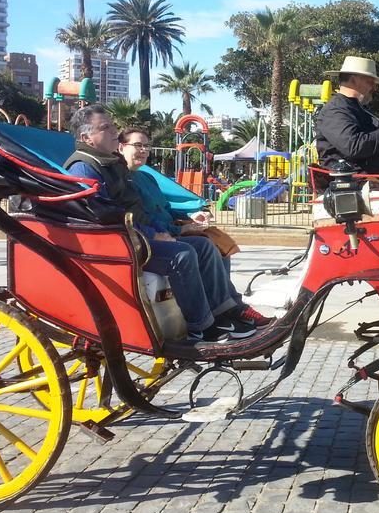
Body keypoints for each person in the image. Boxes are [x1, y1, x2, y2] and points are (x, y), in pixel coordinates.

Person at [64, 105, 254, 345]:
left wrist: (161, 231)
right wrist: (151, 236)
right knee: (182, 254)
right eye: (105, 127)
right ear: (86, 138)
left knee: (204, 245)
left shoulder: (110, 164)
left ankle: (221, 314)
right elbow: (105, 216)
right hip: (119, 245)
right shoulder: (83, 167)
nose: (114, 130)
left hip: (136, 236)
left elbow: (138, 209)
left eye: (112, 124)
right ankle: (200, 328)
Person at [116, 127, 270, 327]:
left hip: (167, 228)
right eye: (138, 145)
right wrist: (180, 230)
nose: (144, 150)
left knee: (218, 240)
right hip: (155, 236)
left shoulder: (147, 177)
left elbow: (165, 208)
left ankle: (230, 305)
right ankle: (223, 313)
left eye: (147, 146)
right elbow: (143, 218)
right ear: (121, 147)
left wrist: (189, 216)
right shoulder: (123, 180)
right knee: (204, 245)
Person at [314, 55, 379, 173]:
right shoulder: (334, 111)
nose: (374, 87)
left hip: (368, 181)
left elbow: (365, 149)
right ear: (353, 80)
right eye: (370, 81)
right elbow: (353, 146)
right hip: (353, 184)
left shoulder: (353, 109)